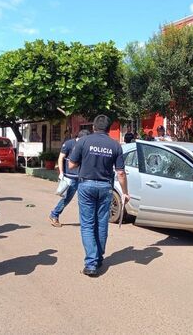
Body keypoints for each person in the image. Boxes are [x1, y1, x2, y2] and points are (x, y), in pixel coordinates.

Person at [69, 115, 129, 277]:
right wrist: (124, 192)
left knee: (88, 224)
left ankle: (91, 263)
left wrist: (86, 162)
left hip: (86, 185)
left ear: (93, 127)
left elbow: (72, 165)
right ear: (109, 129)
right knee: (102, 223)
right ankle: (98, 257)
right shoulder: (115, 145)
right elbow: (121, 173)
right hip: (105, 187)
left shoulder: (83, 142)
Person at [49, 129, 90, 227]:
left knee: (85, 199)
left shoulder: (86, 146)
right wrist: (61, 172)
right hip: (70, 177)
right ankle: (55, 214)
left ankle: (87, 221)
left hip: (82, 177)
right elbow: (61, 158)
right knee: (67, 198)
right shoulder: (68, 144)